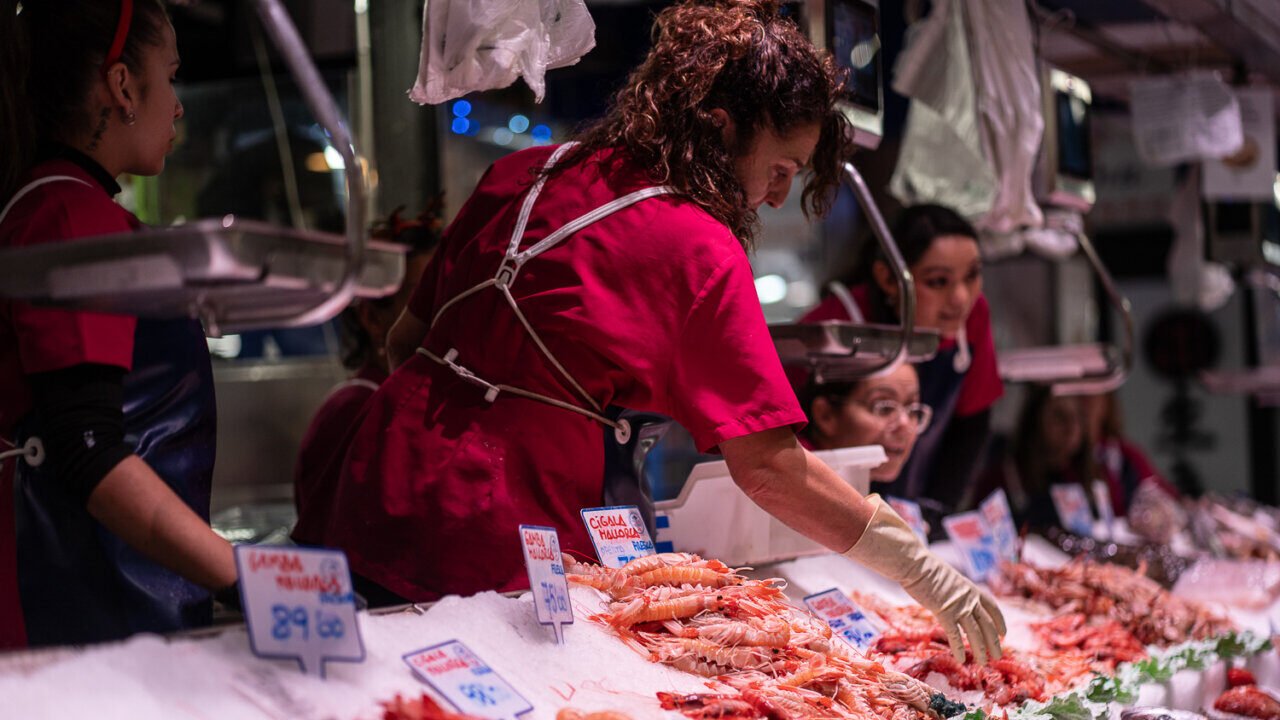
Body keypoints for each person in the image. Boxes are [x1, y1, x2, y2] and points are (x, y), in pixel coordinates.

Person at [293, 0, 1004, 664]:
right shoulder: (697, 245)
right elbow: (770, 466)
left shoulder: (524, 172)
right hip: (490, 525)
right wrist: (917, 566)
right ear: (722, 129)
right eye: (780, 168)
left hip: (369, 485)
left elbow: (403, 345)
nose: (779, 194)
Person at [0, 0, 237, 647]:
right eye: (172, 75)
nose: (179, 104)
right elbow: (87, 452)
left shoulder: (48, 201)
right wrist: (248, 578)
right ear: (124, 85)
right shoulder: (70, 218)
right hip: (69, 598)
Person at [802, 204, 1002, 509]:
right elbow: (780, 443)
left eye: (972, 275)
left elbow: (971, 423)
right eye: (938, 281)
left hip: (912, 503)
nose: (961, 298)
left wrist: (936, 510)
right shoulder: (833, 327)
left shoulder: (971, 316)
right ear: (887, 278)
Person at [293, 205, 440, 530]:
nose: (441, 314)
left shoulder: (419, 405)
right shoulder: (353, 411)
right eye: (422, 301)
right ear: (372, 318)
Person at [799, 363, 932, 485]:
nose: (904, 424)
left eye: (912, 410)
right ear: (826, 415)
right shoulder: (795, 485)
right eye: (884, 408)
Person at [1080, 392, 1178, 516]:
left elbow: (1167, 495)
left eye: (1092, 394)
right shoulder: (1061, 459)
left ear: (1107, 402)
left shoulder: (1124, 453)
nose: (1084, 401)